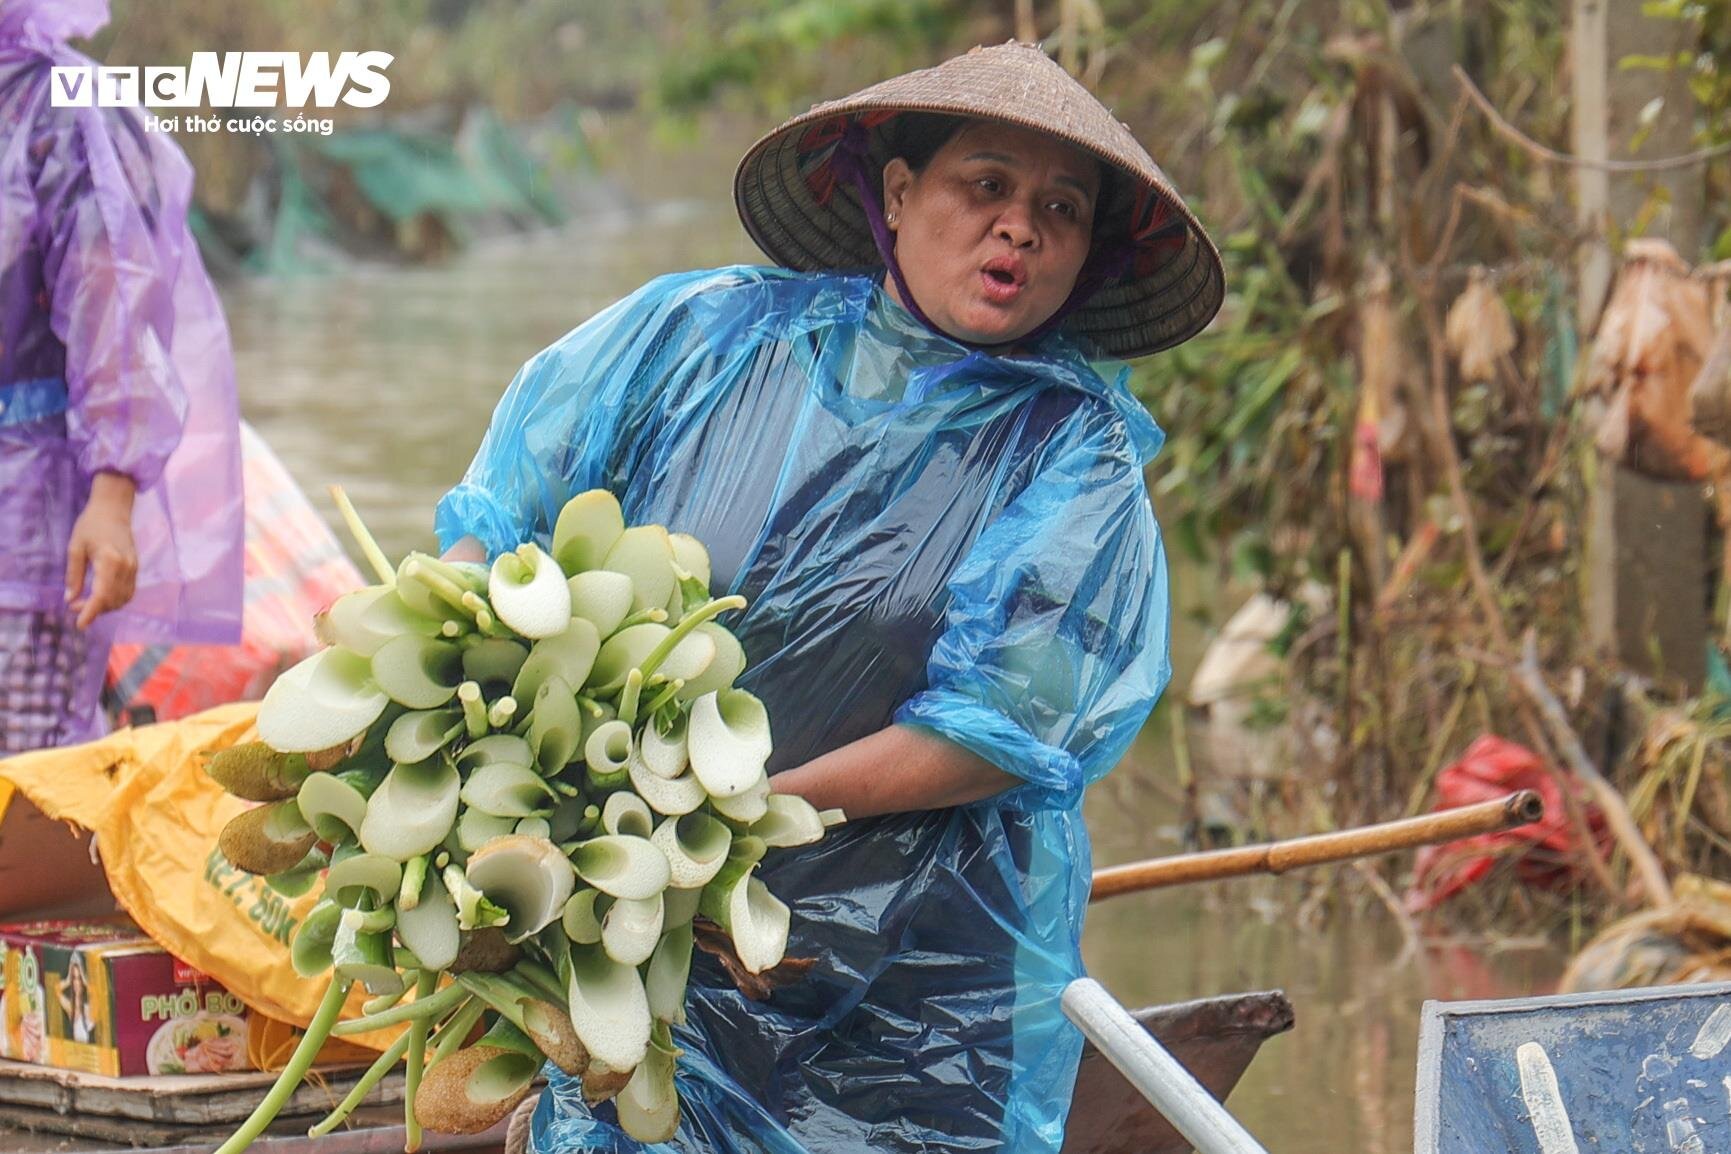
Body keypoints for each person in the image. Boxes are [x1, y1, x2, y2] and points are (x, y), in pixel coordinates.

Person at [439, 42, 1224, 1154]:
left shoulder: (1074, 453)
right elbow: (509, 506)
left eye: (1061, 207)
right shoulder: (707, 339)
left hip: (923, 1004)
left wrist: (743, 820)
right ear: (897, 195)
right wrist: (452, 665)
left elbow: (1006, 730)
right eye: (985, 185)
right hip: (650, 948)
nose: (1021, 227)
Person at [0, 0, 244, 755]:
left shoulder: (60, 113)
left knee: (24, 770)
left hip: (22, 515)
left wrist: (111, 498)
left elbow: (116, 303)